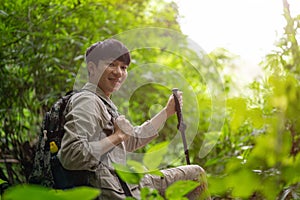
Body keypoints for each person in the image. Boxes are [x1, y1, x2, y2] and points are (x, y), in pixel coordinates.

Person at [57, 39, 209, 199]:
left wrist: (166, 112)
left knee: (194, 174)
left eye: (123, 67)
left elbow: (130, 141)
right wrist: (116, 137)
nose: (119, 72)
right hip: (114, 191)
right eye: (111, 64)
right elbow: (71, 155)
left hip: (123, 184)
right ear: (92, 68)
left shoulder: (102, 102)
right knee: (196, 174)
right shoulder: (87, 101)